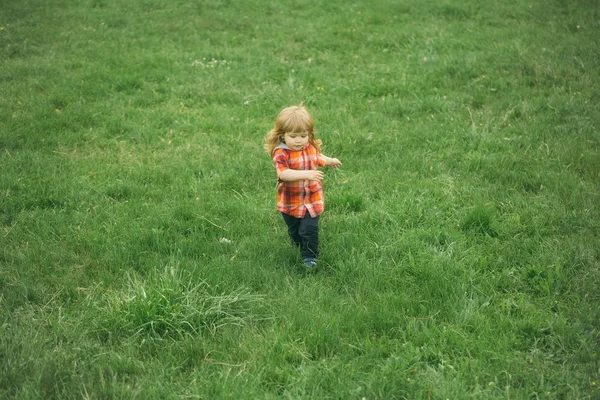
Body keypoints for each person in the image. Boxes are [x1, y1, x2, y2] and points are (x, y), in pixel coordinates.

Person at [264, 105, 342, 268]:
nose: (299, 140)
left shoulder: (309, 147)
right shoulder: (281, 153)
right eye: (293, 136)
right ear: (283, 136)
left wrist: (330, 160)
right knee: (295, 231)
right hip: (290, 201)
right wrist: (307, 174)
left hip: (312, 199)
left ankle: (310, 256)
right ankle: (298, 242)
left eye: (303, 135)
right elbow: (283, 174)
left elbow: (317, 156)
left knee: (308, 229)